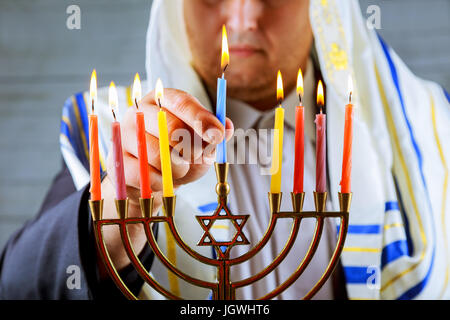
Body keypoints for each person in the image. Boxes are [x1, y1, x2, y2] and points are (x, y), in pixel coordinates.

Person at [1, 0, 449, 300]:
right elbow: (18, 284)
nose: (244, 17)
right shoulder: (113, 133)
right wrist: (111, 229)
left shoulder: (429, 127)